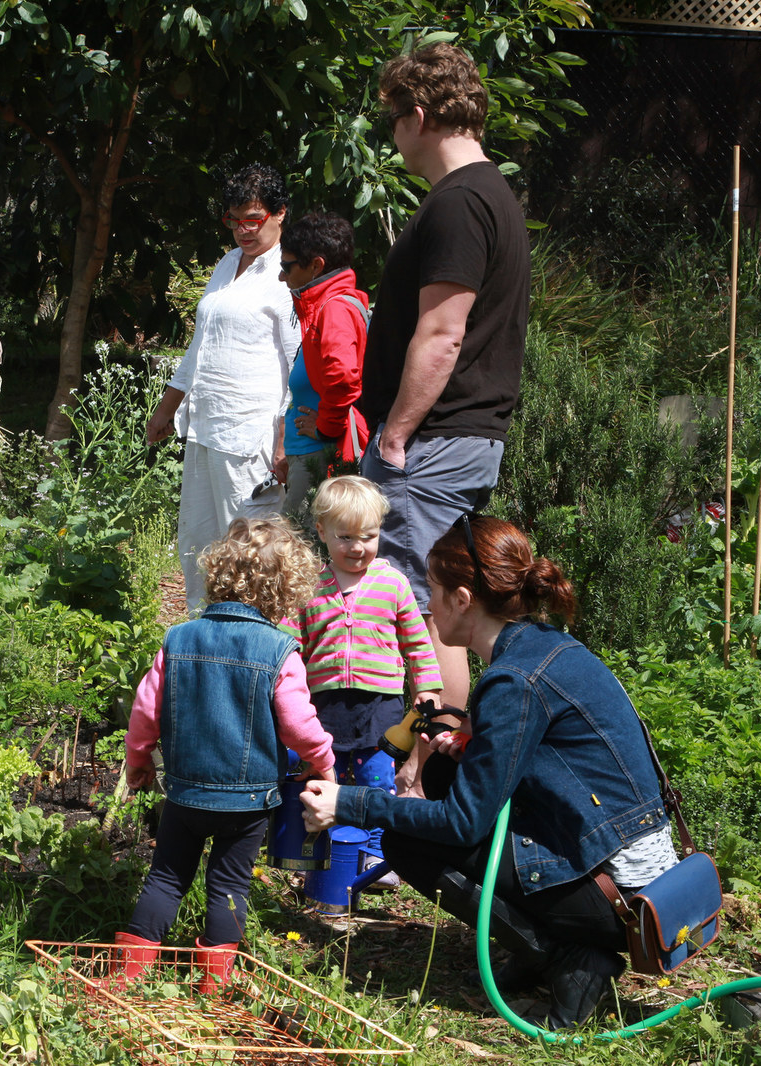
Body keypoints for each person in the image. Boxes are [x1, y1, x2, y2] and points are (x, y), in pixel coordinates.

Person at [299, 516, 677, 1029]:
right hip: (637, 874)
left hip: (625, 904)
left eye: (431, 591)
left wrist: (348, 802)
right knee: (443, 780)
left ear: (461, 598)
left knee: (407, 840)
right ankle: (544, 945)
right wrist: (470, 752)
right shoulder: (545, 646)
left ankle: (569, 958)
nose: (427, 607)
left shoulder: (512, 681)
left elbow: (463, 825)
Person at [356, 43, 530, 729]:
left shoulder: (459, 204)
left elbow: (442, 334)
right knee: (439, 602)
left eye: (394, 118)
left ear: (418, 116)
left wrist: (395, 433)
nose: (394, 135)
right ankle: (430, 767)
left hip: (431, 441)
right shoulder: (489, 196)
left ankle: (423, 772)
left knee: (416, 612)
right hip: (458, 439)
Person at [111, 518, 338, 992]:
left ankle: (125, 976)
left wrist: (137, 764)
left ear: (218, 573)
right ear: (284, 591)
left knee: (166, 878)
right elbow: (298, 724)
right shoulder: (281, 651)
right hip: (249, 803)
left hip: (186, 794)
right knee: (229, 885)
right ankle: (214, 984)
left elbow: (144, 712)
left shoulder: (178, 639)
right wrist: (323, 761)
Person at [145, 164, 300, 612]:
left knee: (251, 546)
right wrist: (167, 407)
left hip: (252, 435)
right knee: (198, 541)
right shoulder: (228, 263)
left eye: (252, 219)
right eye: (233, 219)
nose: (242, 230)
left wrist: (283, 439)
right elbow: (199, 347)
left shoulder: (287, 272)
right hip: (205, 428)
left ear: (279, 213)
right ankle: (203, 640)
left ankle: (259, 649)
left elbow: (298, 361)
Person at [289, 476, 440, 877]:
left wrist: (426, 686)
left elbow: (417, 643)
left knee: (376, 777)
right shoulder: (310, 587)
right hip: (325, 703)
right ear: (321, 531)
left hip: (380, 704)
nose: (358, 547)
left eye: (369, 536)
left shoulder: (392, 583)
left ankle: (377, 852)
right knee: (325, 775)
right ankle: (317, 849)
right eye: (346, 537)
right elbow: (292, 645)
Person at [277, 212, 372, 525]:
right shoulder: (324, 306)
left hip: (322, 454)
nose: (281, 277)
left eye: (286, 266)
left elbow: (343, 379)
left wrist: (326, 428)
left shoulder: (334, 308)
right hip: (309, 453)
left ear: (316, 265)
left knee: (300, 559)